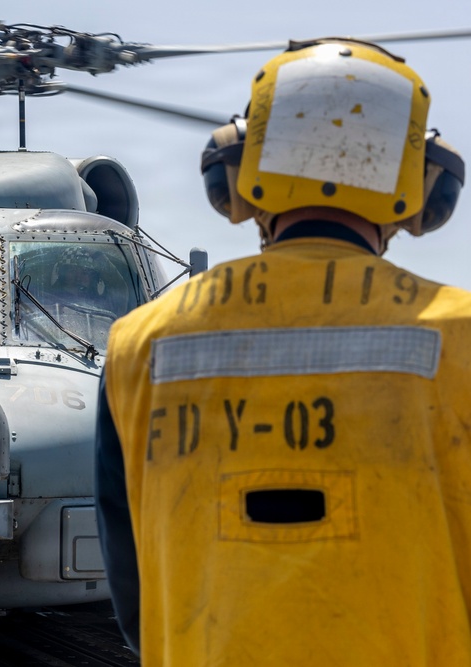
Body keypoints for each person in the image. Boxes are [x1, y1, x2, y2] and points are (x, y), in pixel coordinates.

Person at [95, 38, 469, 665]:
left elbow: (132, 586)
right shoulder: (458, 333)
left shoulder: (139, 345)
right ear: (425, 189)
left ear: (235, 176)